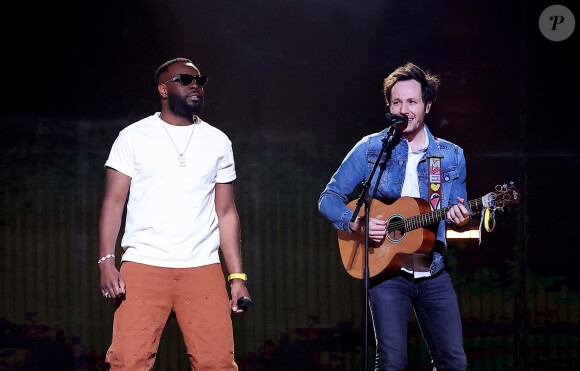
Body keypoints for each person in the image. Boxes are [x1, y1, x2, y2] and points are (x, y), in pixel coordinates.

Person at [98, 57, 250, 370]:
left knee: (218, 363)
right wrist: (106, 261)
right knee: (127, 362)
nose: (196, 85)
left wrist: (236, 277)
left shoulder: (218, 141)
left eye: (200, 80)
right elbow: (113, 203)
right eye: (185, 79)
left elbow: (226, 212)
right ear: (163, 89)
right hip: (143, 266)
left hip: (202, 267)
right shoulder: (134, 136)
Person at [318, 62, 469, 370]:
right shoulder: (372, 149)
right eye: (396, 102)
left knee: (453, 362)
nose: (404, 108)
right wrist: (356, 223)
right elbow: (329, 198)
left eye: (411, 102)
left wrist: (462, 218)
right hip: (386, 272)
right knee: (391, 363)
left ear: (427, 105)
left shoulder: (451, 156)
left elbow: (458, 212)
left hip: (433, 271)